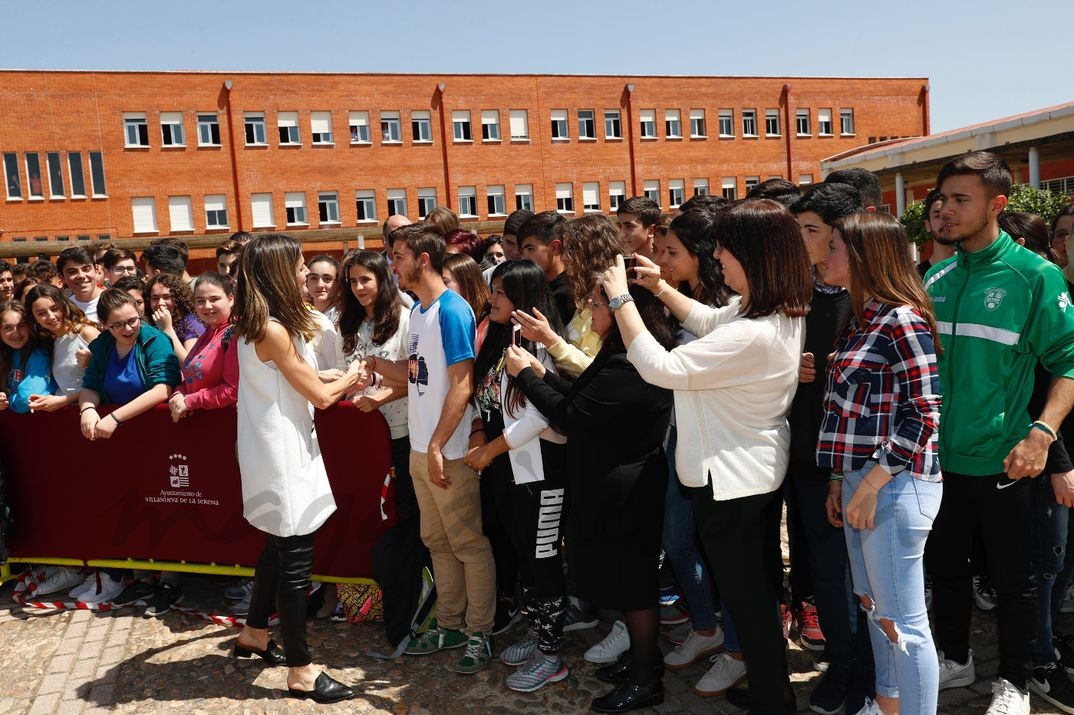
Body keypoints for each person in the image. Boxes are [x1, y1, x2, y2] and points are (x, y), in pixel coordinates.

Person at [612, 199, 811, 714]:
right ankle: (772, 690)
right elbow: (708, 319)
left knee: (748, 600)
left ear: (756, 254)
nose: (716, 255)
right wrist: (658, 287)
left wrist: (620, 301)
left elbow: (659, 366)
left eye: (726, 246)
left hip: (732, 482)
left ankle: (773, 700)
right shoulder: (763, 309)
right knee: (753, 596)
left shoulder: (755, 329)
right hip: (745, 473)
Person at [924, 151, 1074, 715]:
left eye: (961, 199)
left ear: (997, 203)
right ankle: (956, 658)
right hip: (938, 462)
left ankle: (1013, 678)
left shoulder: (1034, 275)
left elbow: (1070, 359)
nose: (947, 209)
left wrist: (1041, 435)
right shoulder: (935, 276)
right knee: (946, 570)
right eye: (943, 199)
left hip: (1005, 461)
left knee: (1013, 578)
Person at [506, 215, 676, 712]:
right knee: (626, 587)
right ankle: (642, 662)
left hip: (627, 488)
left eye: (601, 303)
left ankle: (647, 679)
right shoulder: (616, 353)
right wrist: (542, 371)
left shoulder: (630, 363)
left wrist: (528, 377)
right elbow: (580, 394)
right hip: (613, 483)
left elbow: (573, 414)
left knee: (636, 589)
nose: (594, 308)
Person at [230, 233, 365, 703]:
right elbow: (324, 397)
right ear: (277, 273)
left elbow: (298, 380)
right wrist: (354, 373)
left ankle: (252, 633)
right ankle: (301, 670)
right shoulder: (272, 328)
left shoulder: (258, 323)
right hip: (282, 456)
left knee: (276, 549)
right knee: (295, 564)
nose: (305, 271)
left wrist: (334, 375)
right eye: (299, 264)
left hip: (273, 449)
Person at [818, 212, 943, 715]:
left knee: (904, 623)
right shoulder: (863, 316)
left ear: (864, 256)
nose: (823, 256)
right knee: (875, 611)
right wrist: (839, 480)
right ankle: (887, 706)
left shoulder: (901, 318)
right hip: (864, 482)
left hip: (894, 484)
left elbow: (925, 412)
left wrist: (868, 482)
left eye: (833, 247)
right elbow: (851, 413)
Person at [372, 223, 496, 675]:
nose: (393, 265)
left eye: (399, 256)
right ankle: (450, 624)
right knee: (437, 543)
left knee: (467, 543)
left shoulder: (452, 309)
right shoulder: (420, 311)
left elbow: (463, 384)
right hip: (422, 449)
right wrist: (374, 366)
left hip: (450, 449)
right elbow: (419, 376)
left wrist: (441, 444)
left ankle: (479, 632)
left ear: (423, 259)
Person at [464, 260, 571, 693]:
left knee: (543, 558)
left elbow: (537, 414)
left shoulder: (541, 345)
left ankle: (552, 655)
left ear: (525, 298)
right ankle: (538, 632)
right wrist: (477, 435)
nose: (493, 300)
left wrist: (488, 450)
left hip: (540, 469)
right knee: (525, 555)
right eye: (493, 292)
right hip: (506, 470)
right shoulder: (497, 336)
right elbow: (482, 396)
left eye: (502, 294)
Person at [649, 210, 729, 679]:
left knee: (705, 546)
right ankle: (706, 624)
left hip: (716, 444)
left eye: (671, 252)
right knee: (677, 540)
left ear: (702, 255)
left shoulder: (726, 308)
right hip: (679, 437)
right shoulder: (682, 298)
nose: (662, 260)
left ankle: (727, 640)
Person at [76, 288, 181, 604]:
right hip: (120, 445)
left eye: (133, 320)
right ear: (105, 325)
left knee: (166, 508)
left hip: (155, 437)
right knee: (130, 508)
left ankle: (171, 581)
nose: (127, 329)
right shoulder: (104, 344)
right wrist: (88, 409)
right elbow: (91, 386)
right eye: (118, 324)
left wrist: (116, 418)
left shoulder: (154, 340)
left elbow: (163, 387)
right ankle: (141, 577)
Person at [168, 272, 239, 422]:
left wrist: (190, 401)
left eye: (214, 299)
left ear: (231, 299)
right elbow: (192, 377)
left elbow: (233, 390)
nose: (207, 306)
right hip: (200, 424)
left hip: (226, 425)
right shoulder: (209, 331)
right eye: (200, 301)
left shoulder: (235, 334)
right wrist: (178, 394)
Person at [23, 283, 100, 410]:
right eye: (41, 313)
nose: (51, 317)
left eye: (54, 308)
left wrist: (63, 400)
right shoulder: (52, 343)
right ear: (34, 318)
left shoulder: (87, 333)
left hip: (92, 411)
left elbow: (106, 382)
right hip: (67, 414)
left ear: (64, 305)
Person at [519, 211, 574, 326]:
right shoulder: (535, 287)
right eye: (522, 251)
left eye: (530, 249)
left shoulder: (568, 294)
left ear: (555, 248)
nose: (524, 257)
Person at [0, 300, 56, 414]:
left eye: (21, 326)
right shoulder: (4, 353)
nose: (16, 333)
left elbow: (27, 399)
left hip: (42, 425)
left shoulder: (39, 354)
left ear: (30, 327)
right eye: (7, 328)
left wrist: (7, 402)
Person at [146, 273, 204, 362]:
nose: (160, 302)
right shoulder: (149, 324)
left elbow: (188, 363)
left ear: (179, 298)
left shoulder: (191, 322)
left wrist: (167, 328)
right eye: (155, 298)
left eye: (167, 297)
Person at [442, 253, 491, 353]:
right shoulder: (442, 314)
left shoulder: (489, 322)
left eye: (445, 282)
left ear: (466, 282)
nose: (439, 288)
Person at [56, 247, 103, 322]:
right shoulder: (65, 309)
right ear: (61, 277)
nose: (81, 276)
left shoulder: (116, 301)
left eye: (86, 269)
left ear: (96, 270)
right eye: (72, 272)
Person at [916, 188, 954, 278]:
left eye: (949, 214)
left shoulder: (973, 272)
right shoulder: (916, 278)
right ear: (928, 225)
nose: (944, 220)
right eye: (937, 215)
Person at [305, 254, 339, 319]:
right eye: (314, 278)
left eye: (327, 279)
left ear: (337, 283)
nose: (320, 285)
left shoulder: (342, 318)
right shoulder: (303, 314)